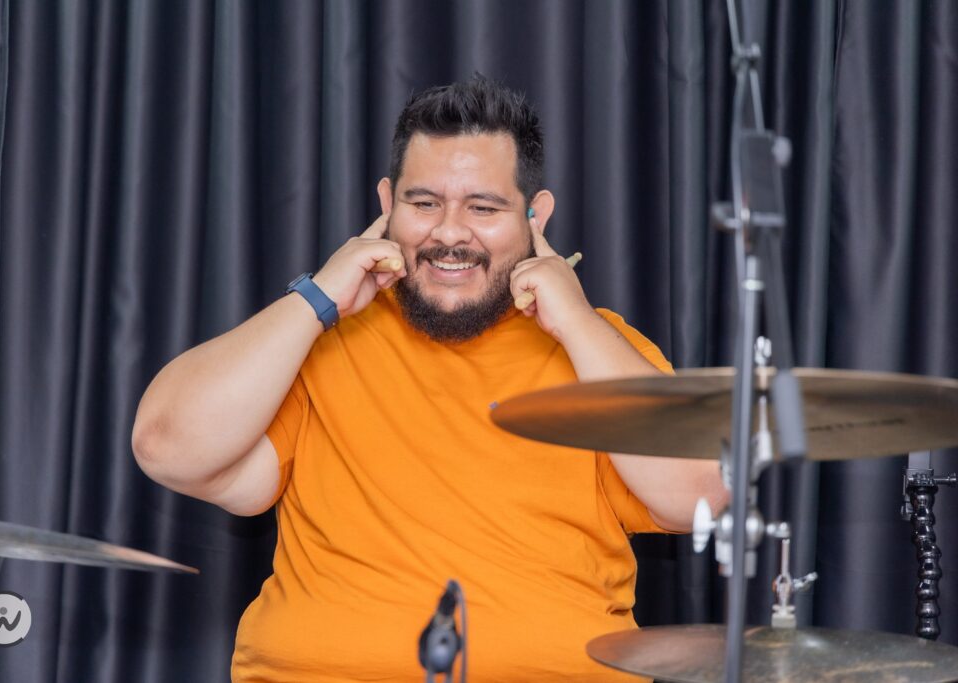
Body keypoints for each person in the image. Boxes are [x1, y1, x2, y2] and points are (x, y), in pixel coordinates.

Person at [132, 76, 727, 682]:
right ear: (386, 204)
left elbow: (699, 495)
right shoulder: (318, 341)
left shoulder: (599, 349)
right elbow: (167, 447)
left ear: (536, 214)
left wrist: (575, 321)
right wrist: (318, 297)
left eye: (483, 208)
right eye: (423, 204)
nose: (449, 233)